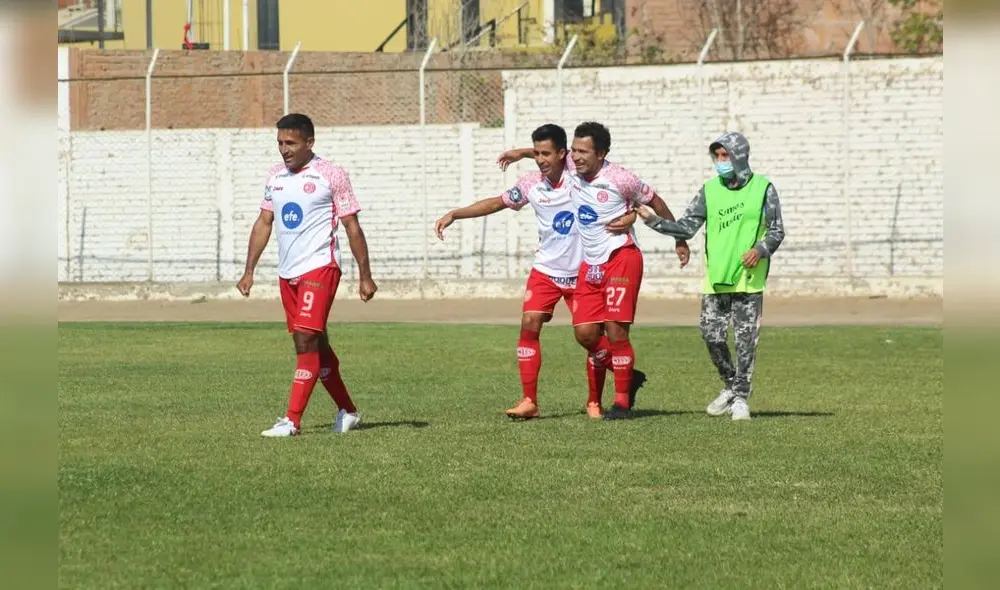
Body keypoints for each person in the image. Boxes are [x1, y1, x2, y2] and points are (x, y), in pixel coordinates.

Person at [435, 123, 636, 420]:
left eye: (546, 154)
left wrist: (631, 216)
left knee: (591, 337)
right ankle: (529, 400)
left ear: (563, 154)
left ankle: (597, 399)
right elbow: (497, 203)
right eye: (536, 154)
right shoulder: (531, 184)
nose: (541, 160)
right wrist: (456, 213)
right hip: (546, 269)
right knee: (529, 323)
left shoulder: (578, 175)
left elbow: (615, 186)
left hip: (583, 270)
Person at [500, 121, 691, 420]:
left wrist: (677, 237)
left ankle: (621, 404)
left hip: (621, 256)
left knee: (615, 330)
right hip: (590, 264)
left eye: (583, 152)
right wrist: (521, 153)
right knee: (586, 334)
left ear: (601, 154)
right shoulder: (572, 170)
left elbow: (654, 201)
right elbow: (550, 154)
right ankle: (627, 377)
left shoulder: (620, 178)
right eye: (573, 151)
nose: (575, 157)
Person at [237, 113, 378, 437]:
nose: (284, 149)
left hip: (320, 266)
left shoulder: (331, 174)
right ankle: (348, 411)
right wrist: (249, 271)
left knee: (304, 339)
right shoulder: (275, 176)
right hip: (287, 273)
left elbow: (352, 226)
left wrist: (365, 275)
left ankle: (291, 421)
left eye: (291, 143)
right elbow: (264, 222)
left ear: (309, 142)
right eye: (280, 143)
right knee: (316, 343)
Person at [635, 131, 785, 420]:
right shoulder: (709, 190)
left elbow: (777, 230)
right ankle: (731, 385)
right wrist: (653, 221)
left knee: (745, 342)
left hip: (748, 279)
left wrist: (760, 249)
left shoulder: (763, 188)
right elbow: (687, 227)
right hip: (716, 278)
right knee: (711, 335)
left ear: (739, 156)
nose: (720, 161)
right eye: (716, 156)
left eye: (725, 155)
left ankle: (741, 399)